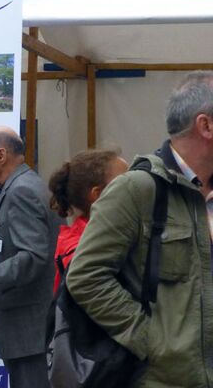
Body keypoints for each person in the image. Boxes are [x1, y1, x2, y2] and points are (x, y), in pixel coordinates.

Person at [67, 71, 213, 387]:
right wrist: (151, 341)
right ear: (206, 126)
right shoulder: (137, 190)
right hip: (163, 379)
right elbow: (85, 276)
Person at [0, 126, 60, 388]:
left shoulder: (22, 192)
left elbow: (33, 256)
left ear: (1, 154)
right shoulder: (20, 186)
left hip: (30, 333)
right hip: (27, 331)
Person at [47, 149, 127, 290]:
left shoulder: (115, 233)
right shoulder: (79, 250)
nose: (134, 188)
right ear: (97, 194)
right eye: (125, 183)